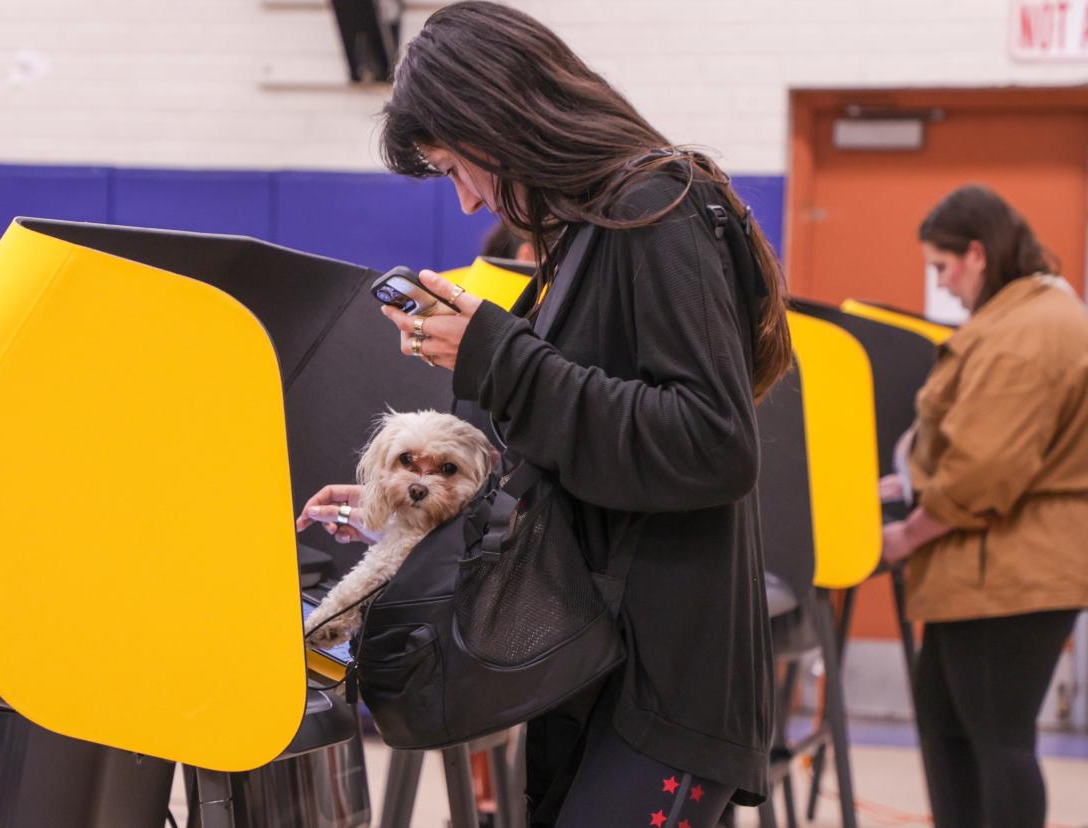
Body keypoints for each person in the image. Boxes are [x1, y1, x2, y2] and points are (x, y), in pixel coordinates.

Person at [297, 2, 792, 824]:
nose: (464, 202)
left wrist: (501, 356)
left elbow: (713, 443)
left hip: (663, 685)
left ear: (499, 123)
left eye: (457, 168)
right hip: (597, 664)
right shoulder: (595, 234)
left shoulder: (655, 210)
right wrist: (409, 512)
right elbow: (582, 454)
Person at [879, 184, 1088, 828]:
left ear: (976, 253)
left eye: (941, 267)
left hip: (1009, 574)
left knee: (997, 742)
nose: (940, 285)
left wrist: (907, 535)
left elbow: (983, 471)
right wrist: (910, 482)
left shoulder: (1025, 332)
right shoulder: (1027, 313)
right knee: (948, 727)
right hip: (987, 570)